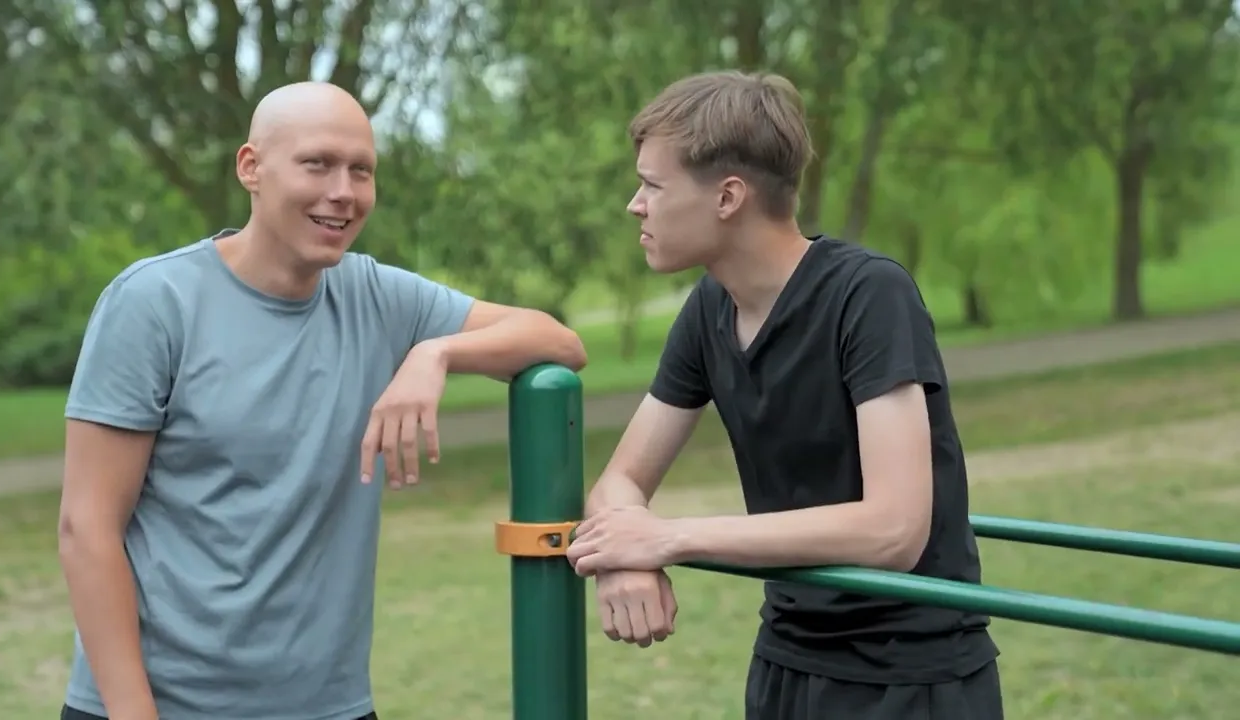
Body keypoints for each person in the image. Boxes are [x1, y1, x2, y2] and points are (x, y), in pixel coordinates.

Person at [56, 81, 587, 720]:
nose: (343, 192)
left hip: (329, 706)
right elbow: (88, 528)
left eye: (361, 170)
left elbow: (559, 342)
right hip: (159, 705)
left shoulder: (377, 297)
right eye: (318, 164)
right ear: (251, 167)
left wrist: (435, 353)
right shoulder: (154, 302)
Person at [564, 71, 1004, 719]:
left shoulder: (869, 295)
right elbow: (619, 483)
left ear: (727, 197)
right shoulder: (709, 309)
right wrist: (625, 561)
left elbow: (894, 531)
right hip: (786, 663)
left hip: (910, 676)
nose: (636, 204)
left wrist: (670, 538)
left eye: (653, 185)